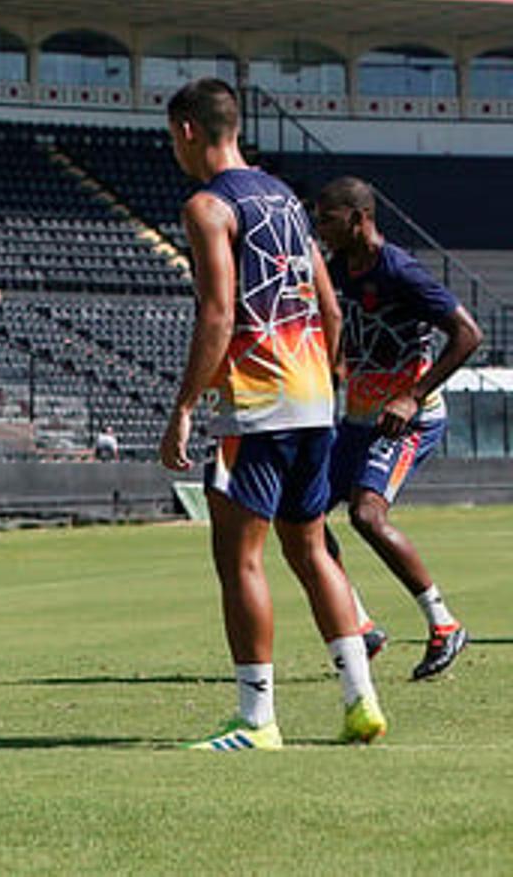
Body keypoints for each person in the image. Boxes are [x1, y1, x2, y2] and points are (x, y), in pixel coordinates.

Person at [158, 78, 384, 751]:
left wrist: (185, 406)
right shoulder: (285, 198)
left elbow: (219, 312)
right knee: (312, 552)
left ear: (189, 132)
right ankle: (360, 702)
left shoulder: (207, 206)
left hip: (256, 406)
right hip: (315, 399)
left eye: (173, 136)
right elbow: (332, 307)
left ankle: (256, 720)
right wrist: (327, 379)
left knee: (241, 561)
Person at [313, 176, 481, 680]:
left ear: (359, 219)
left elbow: (469, 335)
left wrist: (411, 395)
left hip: (410, 417)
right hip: (360, 418)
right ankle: (361, 627)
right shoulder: (338, 269)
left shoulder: (401, 270)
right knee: (302, 516)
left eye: (328, 218)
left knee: (367, 514)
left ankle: (444, 625)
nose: (320, 227)